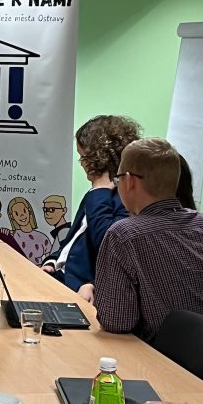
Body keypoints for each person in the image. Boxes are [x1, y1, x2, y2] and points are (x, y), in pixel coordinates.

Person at [85, 137, 203, 341]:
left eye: (118, 179)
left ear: (130, 181)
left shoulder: (123, 235)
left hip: (155, 356)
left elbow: (116, 322)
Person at [42, 114, 142, 292]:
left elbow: (107, 243)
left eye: (82, 157)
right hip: (60, 275)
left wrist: (99, 191)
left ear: (96, 158)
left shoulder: (123, 197)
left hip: (79, 288)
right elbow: (75, 238)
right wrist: (52, 260)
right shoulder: (95, 193)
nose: (81, 164)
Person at [5, 197, 51, 264]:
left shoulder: (42, 237)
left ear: (29, 210)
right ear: (12, 216)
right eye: (17, 213)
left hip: (38, 269)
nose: (22, 215)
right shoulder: (12, 236)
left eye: (24, 211)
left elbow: (49, 260)